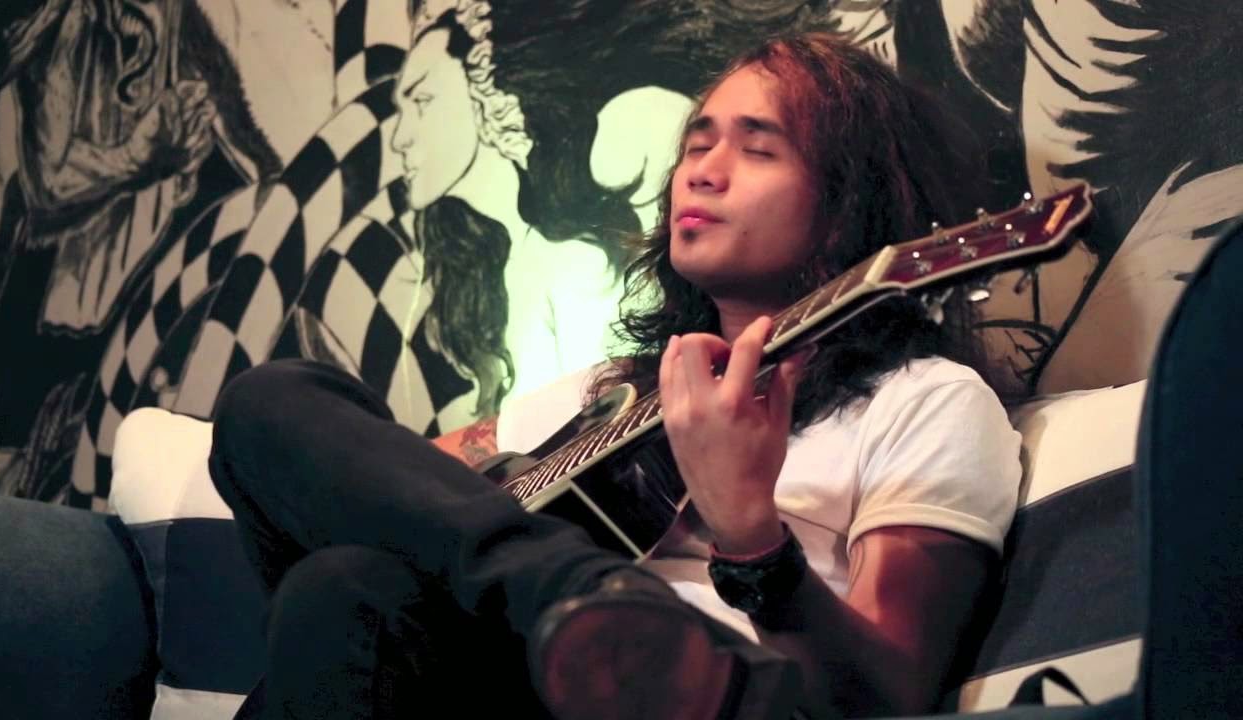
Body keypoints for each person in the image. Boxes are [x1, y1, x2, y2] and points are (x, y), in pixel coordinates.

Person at [208, 31, 1022, 720]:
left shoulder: (925, 400)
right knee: (273, 407)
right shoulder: (616, 393)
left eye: (757, 148)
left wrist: (751, 537)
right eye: (697, 145)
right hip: (492, 667)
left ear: (849, 205)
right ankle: (574, 588)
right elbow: (401, 487)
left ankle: (581, 600)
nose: (701, 172)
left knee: (344, 589)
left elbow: (887, 694)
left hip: (698, 696)